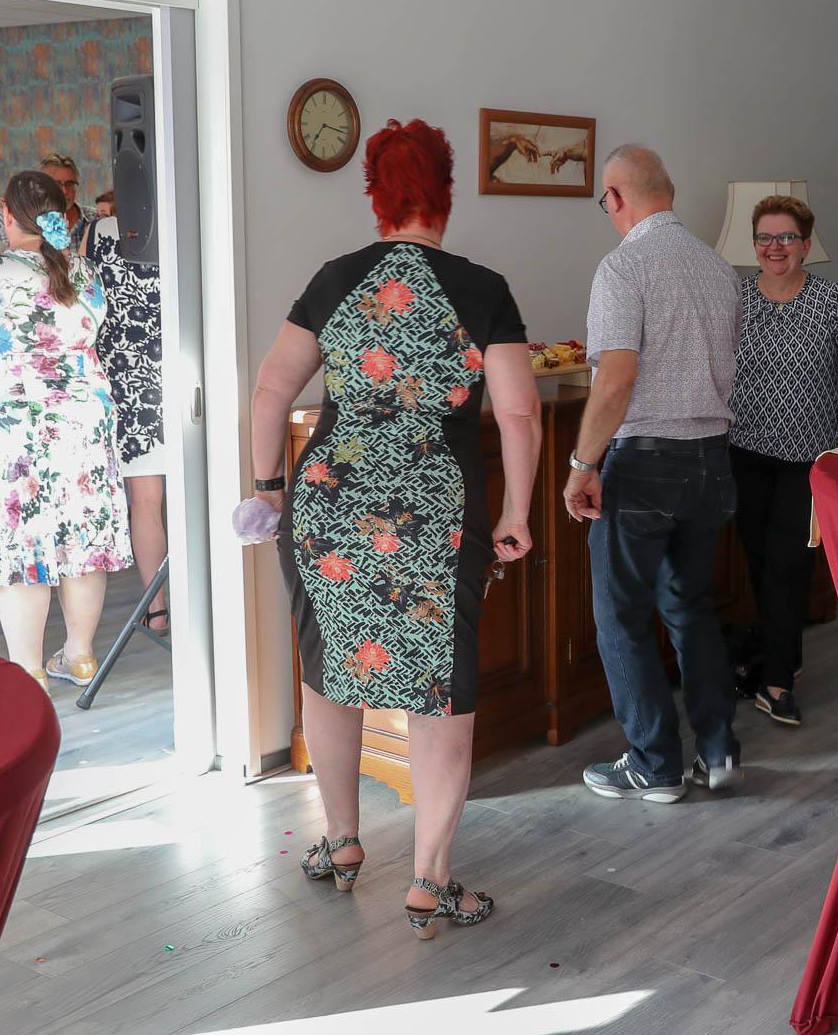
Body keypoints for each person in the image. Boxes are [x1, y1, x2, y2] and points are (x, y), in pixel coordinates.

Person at [250, 118, 539, 939]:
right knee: (440, 689)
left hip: (328, 504)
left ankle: (341, 841)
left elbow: (271, 391)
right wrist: (517, 511)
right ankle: (429, 880)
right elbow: (519, 412)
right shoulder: (483, 288)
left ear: (375, 196)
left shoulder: (335, 278)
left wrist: (267, 490)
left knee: (327, 670)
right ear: (445, 194)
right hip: (434, 513)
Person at [565, 144, 741, 802]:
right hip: (712, 460)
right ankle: (718, 753)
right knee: (690, 607)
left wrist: (583, 464)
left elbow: (616, 381)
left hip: (645, 465)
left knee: (621, 614)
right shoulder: (718, 268)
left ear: (615, 198)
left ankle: (654, 762)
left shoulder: (624, 266)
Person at [0, 171, 131, 687]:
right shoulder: (83, 270)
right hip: (81, 423)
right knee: (81, 537)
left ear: (7, 214)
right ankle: (80, 656)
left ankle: (29, 671)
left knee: (20, 541)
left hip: (11, 430)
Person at [727, 194, 838, 726]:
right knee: (760, 564)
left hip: (809, 461)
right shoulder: (737, 298)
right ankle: (783, 657)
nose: (775, 247)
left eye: (786, 237)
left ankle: (776, 683)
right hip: (744, 453)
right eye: (764, 237)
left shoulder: (831, 300)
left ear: (806, 244)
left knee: (789, 565)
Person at [82, 209, 168, 632]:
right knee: (204, 495)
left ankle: (158, 610)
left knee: (145, 503)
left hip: (129, 379)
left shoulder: (99, 232)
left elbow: (83, 304)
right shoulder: (185, 217)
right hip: (187, 367)